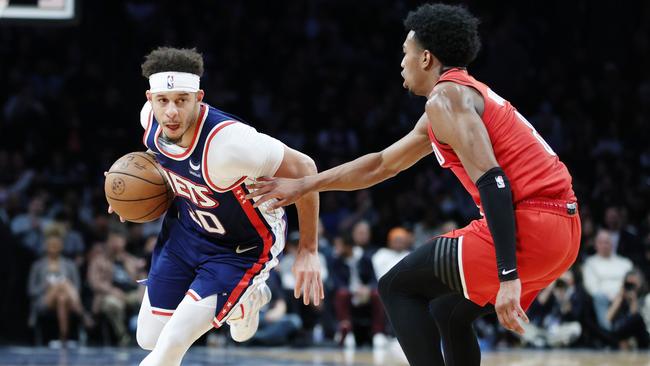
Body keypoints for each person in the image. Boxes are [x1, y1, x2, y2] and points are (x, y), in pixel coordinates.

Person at [247, 4, 580, 365]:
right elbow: (381, 164)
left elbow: (494, 182)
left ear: (425, 58)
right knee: (451, 314)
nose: (401, 63)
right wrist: (305, 185)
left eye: (405, 53)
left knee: (396, 287)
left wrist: (508, 275)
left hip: (530, 227)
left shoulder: (445, 98)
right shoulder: (456, 100)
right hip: (564, 233)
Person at [107, 47, 323, 366]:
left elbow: (305, 168)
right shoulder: (149, 119)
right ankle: (247, 302)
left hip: (240, 247)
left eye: (182, 100)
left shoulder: (230, 145)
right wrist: (123, 191)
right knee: (148, 338)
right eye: (163, 101)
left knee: (169, 347)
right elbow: (163, 164)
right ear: (150, 98)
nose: (171, 112)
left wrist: (308, 250)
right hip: (187, 231)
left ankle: (247, 292)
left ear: (199, 98)